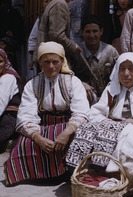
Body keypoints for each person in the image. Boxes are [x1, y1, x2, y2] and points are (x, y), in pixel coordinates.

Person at [67, 52, 133, 186]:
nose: (126, 73)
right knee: (86, 129)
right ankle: (84, 169)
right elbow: (95, 112)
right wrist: (111, 124)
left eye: (131, 69)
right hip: (114, 127)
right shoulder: (112, 88)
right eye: (122, 69)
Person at [4, 41, 89, 185]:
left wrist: (66, 133)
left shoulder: (72, 81)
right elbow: (26, 115)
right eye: (46, 62)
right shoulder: (32, 84)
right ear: (40, 63)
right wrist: (37, 138)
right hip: (42, 127)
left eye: (55, 62)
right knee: (25, 143)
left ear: (62, 61)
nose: (51, 66)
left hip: (68, 126)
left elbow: (81, 112)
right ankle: (44, 175)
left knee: (76, 140)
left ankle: (68, 173)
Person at [72, 16, 119, 105]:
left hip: (107, 100)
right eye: (88, 32)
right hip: (81, 99)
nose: (91, 35)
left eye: (95, 31)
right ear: (82, 32)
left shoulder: (110, 51)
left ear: (101, 31)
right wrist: (81, 84)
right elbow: (67, 75)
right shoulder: (75, 52)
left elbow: (118, 76)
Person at [33, 0, 81, 65]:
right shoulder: (59, 5)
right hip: (52, 59)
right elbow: (57, 35)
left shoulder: (55, 3)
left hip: (48, 57)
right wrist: (73, 47)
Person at [0, 49, 22, 153]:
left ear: (5, 62)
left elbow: (1, 103)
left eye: (0, 62)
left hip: (6, 119)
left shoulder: (8, 78)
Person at [28, 0, 51, 72]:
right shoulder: (40, 19)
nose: (49, 4)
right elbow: (33, 39)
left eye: (51, 1)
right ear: (42, 4)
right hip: (42, 56)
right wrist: (32, 58)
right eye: (46, 1)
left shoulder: (60, 18)